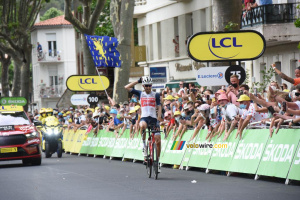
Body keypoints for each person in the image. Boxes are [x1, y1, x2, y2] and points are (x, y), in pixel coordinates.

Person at [124, 76, 162, 173]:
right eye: (146, 86)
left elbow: (159, 107)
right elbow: (126, 87)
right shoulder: (140, 93)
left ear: (151, 86)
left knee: (158, 141)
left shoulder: (156, 94)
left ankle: (157, 161)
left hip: (153, 118)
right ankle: (144, 146)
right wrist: (138, 81)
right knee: (142, 126)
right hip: (145, 117)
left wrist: (158, 118)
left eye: (149, 86)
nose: (148, 87)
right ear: (143, 86)